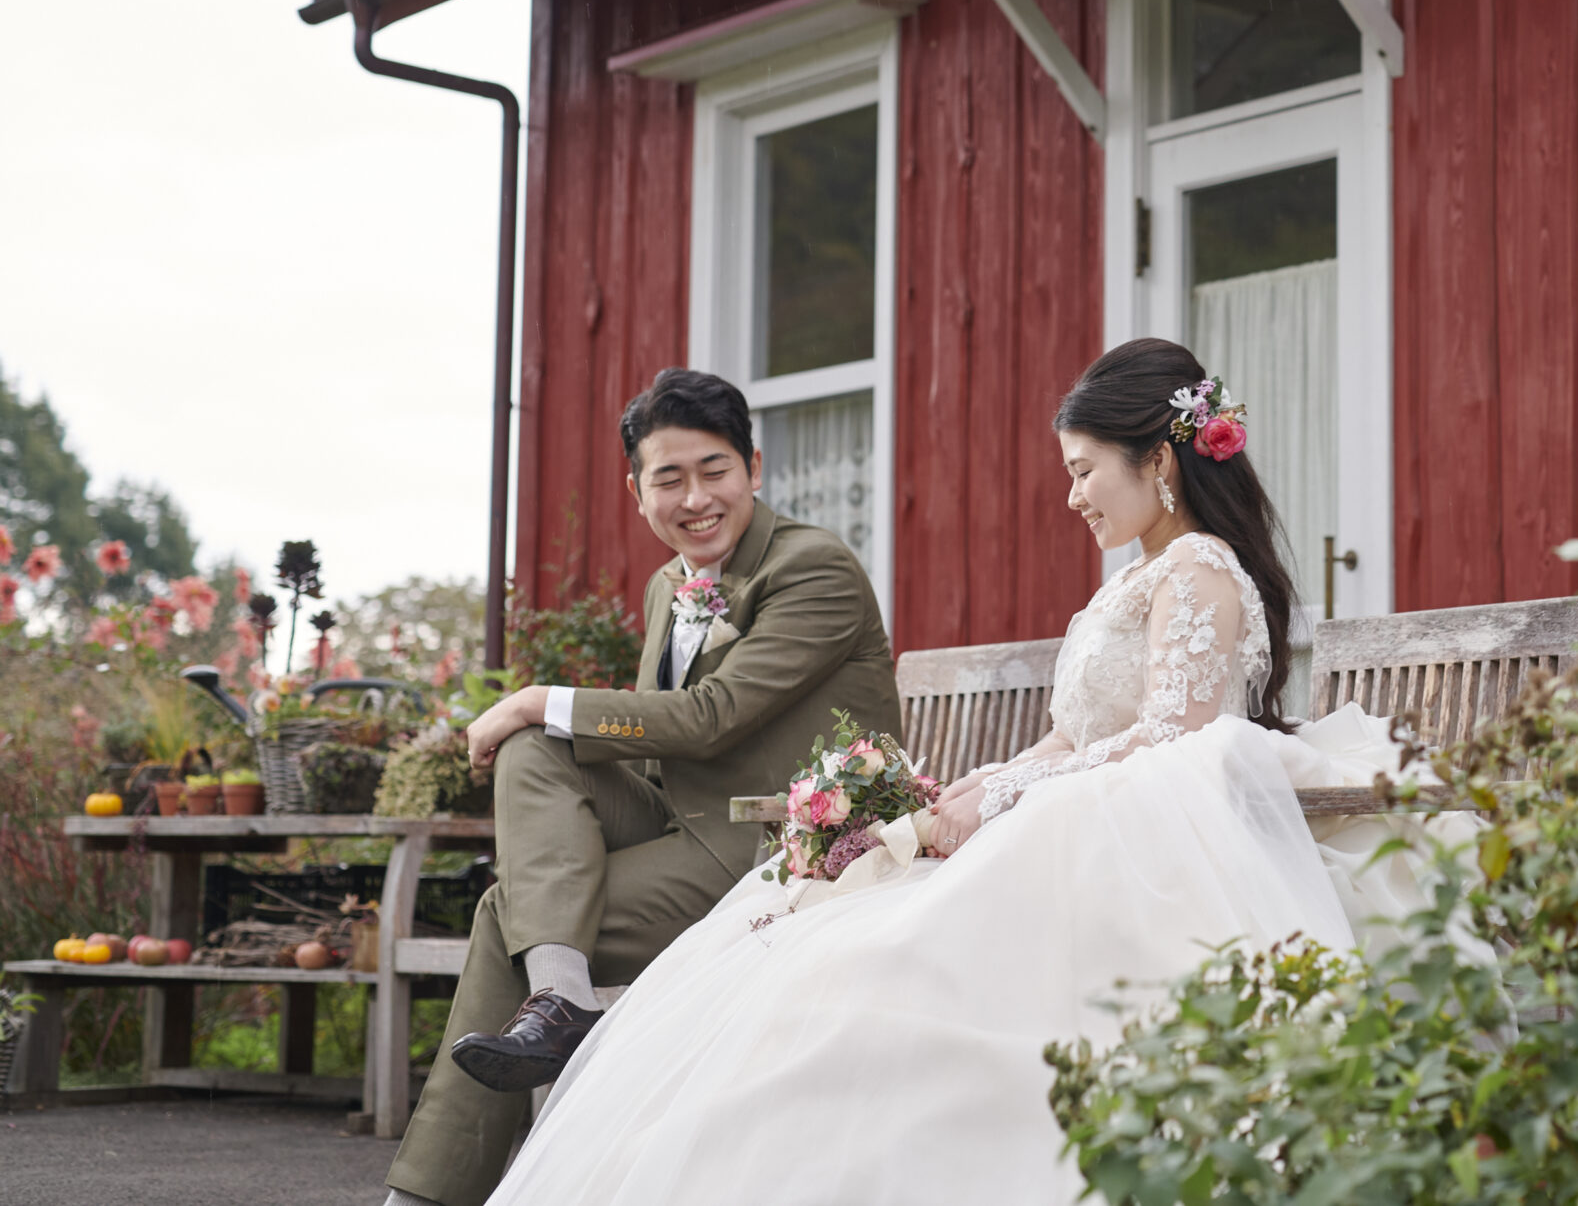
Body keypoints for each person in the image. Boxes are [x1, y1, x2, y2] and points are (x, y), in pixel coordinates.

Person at [478, 338, 1448, 1206]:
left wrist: (1009, 796)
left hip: (1146, 837)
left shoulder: (1196, 569)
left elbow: (1175, 733)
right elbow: (1072, 735)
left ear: (1158, 459)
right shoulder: (1141, 574)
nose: (1072, 496)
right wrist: (987, 779)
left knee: (883, 960)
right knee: (826, 938)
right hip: (1091, 804)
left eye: (1084, 470)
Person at [384, 368, 899, 1206]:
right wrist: (539, 723)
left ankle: (427, 1194)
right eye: (669, 478)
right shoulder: (671, 583)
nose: (695, 497)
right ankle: (559, 996)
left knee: (512, 908)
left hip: (782, 846)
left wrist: (535, 696)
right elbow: (656, 746)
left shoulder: (814, 568)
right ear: (637, 492)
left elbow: (708, 717)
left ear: (753, 466)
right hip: (685, 826)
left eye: (714, 469)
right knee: (532, 750)